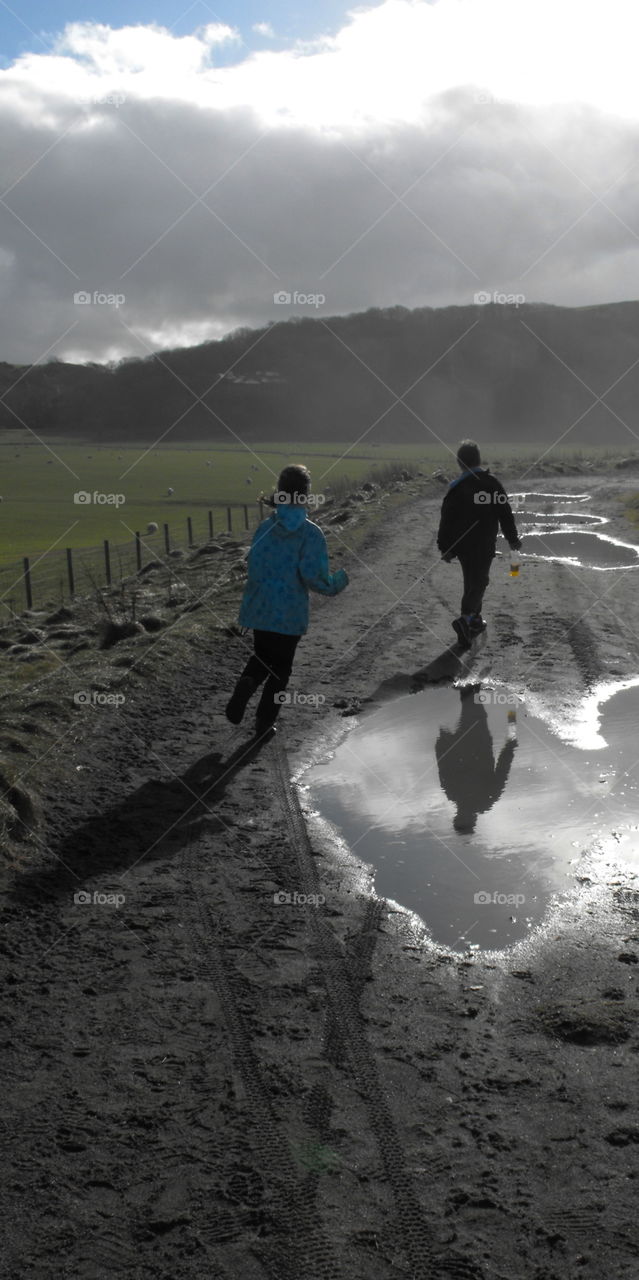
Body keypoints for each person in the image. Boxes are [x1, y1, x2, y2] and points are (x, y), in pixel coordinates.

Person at [225, 463, 349, 736]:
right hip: (290, 612)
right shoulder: (311, 533)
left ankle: (247, 682)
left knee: (262, 656)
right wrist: (337, 582)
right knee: (281, 670)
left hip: (261, 608)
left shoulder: (265, 528)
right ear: (305, 495)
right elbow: (312, 576)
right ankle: (264, 722)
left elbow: (253, 566)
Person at [437, 440, 521, 650]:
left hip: (462, 545)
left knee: (471, 580)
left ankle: (475, 619)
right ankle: (465, 619)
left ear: (459, 463)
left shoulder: (456, 488)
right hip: (484, 542)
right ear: (479, 460)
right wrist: (512, 539)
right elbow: (505, 513)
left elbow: (446, 518)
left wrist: (444, 546)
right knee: (480, 581)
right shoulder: (491, 483)